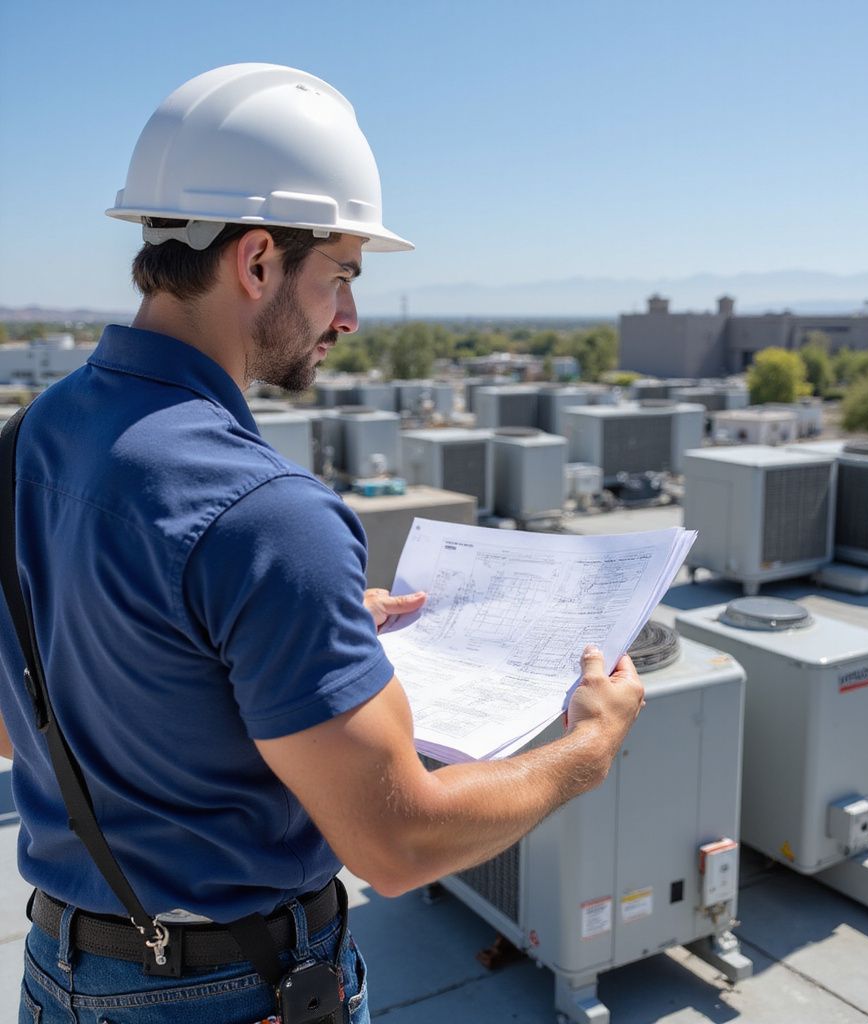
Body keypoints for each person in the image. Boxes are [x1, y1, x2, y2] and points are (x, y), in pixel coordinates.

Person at [0, 64, 644, 1023]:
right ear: (257, 260)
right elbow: (398, 845)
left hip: (64, 973)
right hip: (225, 996)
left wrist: (276, 642)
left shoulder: (28, 438)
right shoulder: (267, 515)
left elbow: (24, 711)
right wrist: (588, 749)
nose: (348, 316)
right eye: (341, 274)